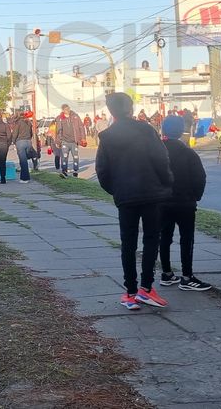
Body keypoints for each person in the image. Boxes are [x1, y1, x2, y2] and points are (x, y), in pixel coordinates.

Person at [96, 92, 174, 310]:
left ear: (110, 111)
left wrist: (116, 189)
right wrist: (167, 182)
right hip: (151, 192)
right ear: (130, 108)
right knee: (151, 239)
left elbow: (102, 170)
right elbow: (161, 158)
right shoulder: (146, 130)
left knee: (128, 243)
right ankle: (146, 288)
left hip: (125, 196)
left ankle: (130, 292)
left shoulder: (106, 136)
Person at [157, 115, 211, 291]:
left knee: (164, 237)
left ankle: (166, 273)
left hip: (162, 202)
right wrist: (195, 196)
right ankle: (187, 276)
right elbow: (200, 177)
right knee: (187, 238)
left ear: (163, 130)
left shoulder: (157, 151)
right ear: (181, 131)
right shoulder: (188, 152)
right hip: (184, 202)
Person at [56, 104, 86, 177]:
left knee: (75, 157)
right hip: (65, 141)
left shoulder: (75, 116)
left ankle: (75, 171)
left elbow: (81, 127)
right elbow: (58, 131)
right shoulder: (60, 118)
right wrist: (58, 141)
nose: (67, 110)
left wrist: (83, 138)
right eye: (65, 109)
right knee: (64, 157)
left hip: (74, 141)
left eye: (68, 108)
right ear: (63, 110)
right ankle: (64, 171)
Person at [12, 110, 35, 182]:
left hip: (20, 142)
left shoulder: (18, 123)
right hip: (28, 141)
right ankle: (26, 175)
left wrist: (14, 141)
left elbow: (15, 133)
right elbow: (31, 133)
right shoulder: (28, 122)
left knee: (23, 161)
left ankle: (24, 178)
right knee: (25, 160)